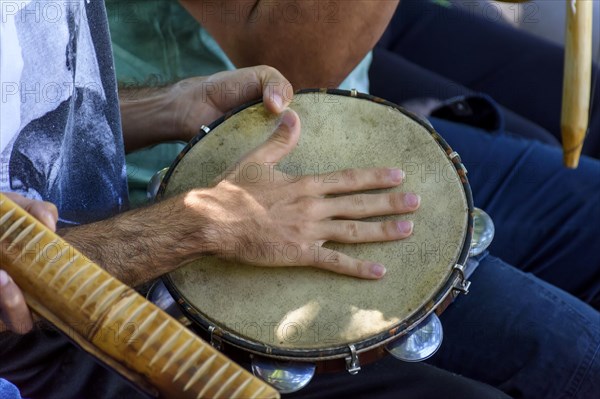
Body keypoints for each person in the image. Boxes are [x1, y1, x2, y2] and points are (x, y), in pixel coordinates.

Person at [0, 1, 514, 399]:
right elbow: (17, 289)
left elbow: (43, 118)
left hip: (125, 244)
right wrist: (198, 224)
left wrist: (173, 103)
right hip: (52, 345)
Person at [104, 1, 600, 398]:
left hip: (323, 114)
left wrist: (173, 103)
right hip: (199, 182)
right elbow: (298, 58)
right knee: (583, 362)